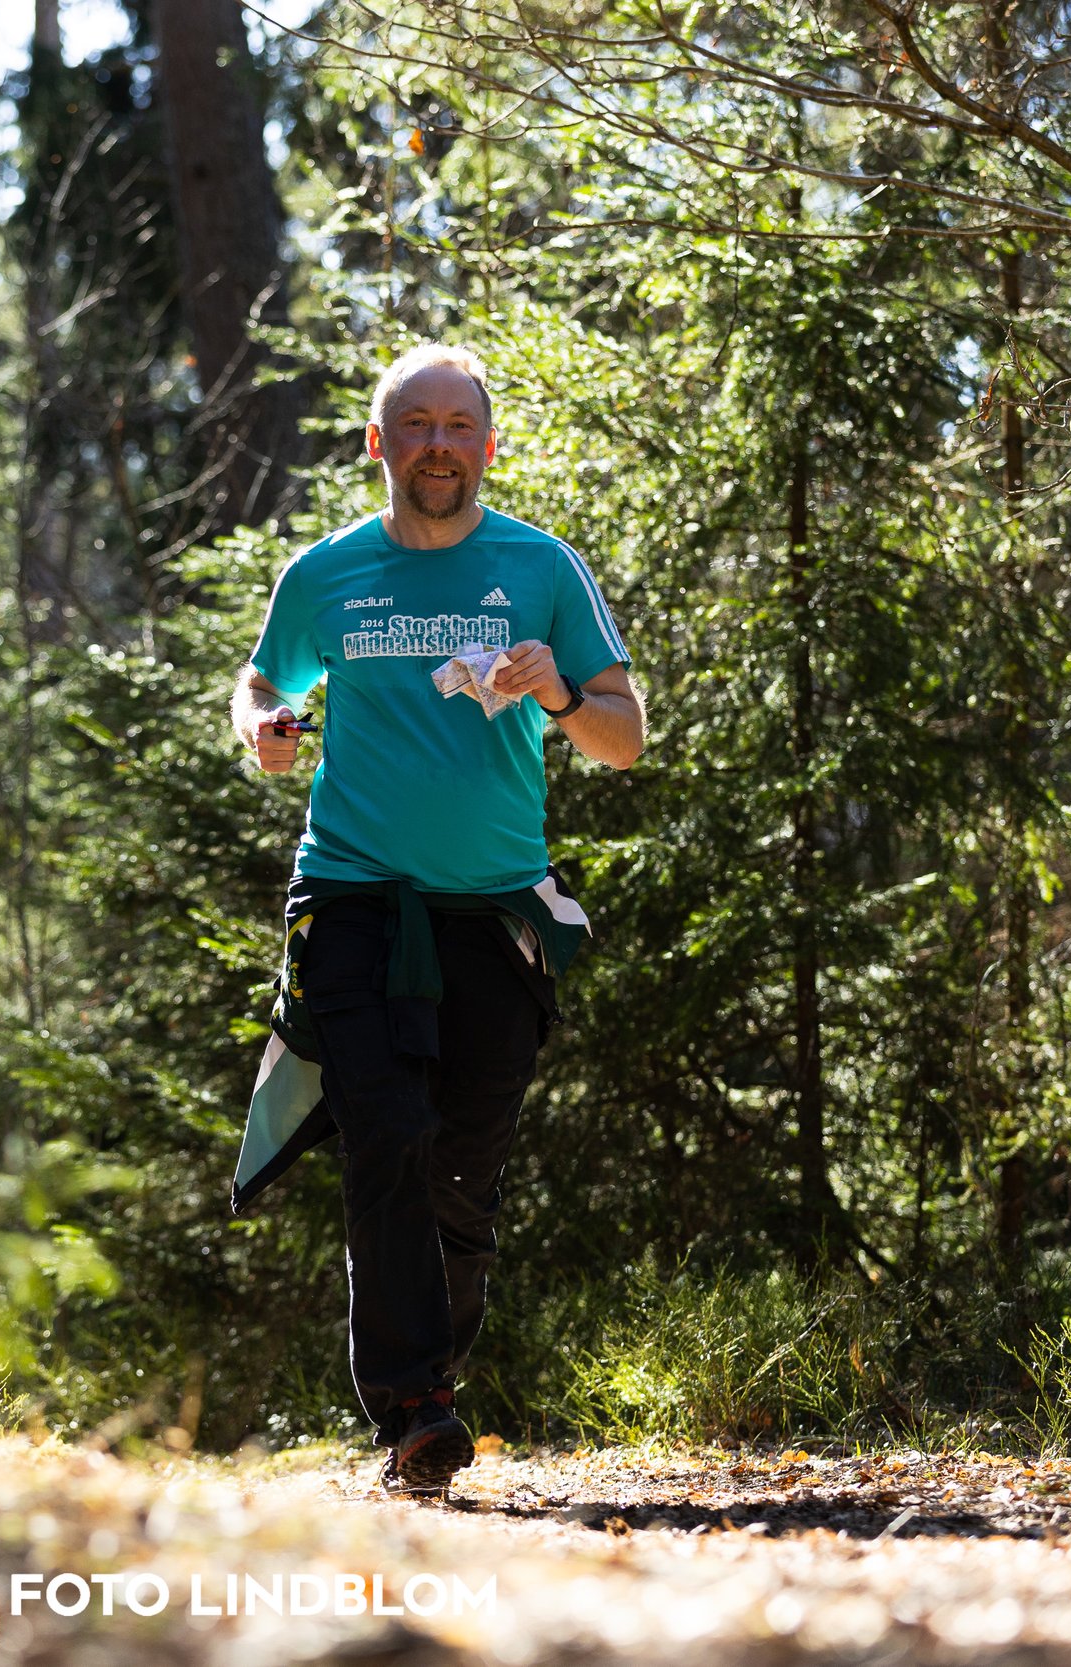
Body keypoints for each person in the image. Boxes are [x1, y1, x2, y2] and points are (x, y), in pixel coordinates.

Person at [227, 342, 645, 1496]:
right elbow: (264, 684)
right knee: (385, 1132)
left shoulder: (539, 565)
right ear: (378, 444)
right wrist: (259, 725)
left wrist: (558, 688)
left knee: (461, 1162)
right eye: (413, 425)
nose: (437, 446)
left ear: (489, 444)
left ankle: (432, 1384)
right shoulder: (326, 574)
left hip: (496, 911)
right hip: (353, 899)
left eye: (458, 426)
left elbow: (624, 735)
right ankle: (414, 1406)